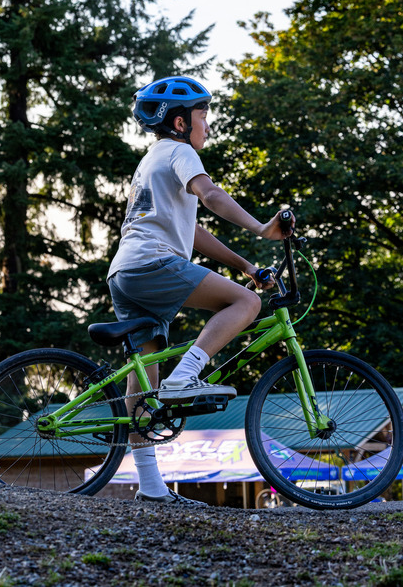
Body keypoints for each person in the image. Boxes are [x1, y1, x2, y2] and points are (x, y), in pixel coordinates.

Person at [107, 75, 294, 507]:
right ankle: (186, 375)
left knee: (145, 381)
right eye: (202, 115)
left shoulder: (152, 159)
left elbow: (192, 232)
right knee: (246, 302)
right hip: (152, 263)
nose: (207, 125)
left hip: (125, 272)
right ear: (179, 122)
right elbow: (209, 195)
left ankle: (151, 486)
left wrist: (246, 266)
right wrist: (261, 228)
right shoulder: (182, 152)